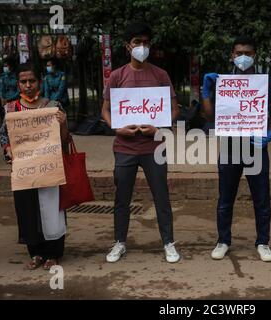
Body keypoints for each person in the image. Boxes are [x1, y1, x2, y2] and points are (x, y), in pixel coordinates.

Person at [101, 22, 181, 264]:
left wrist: (159, 128)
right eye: (137, 42)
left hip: (154, 147)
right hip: (124, 147)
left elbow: (174, 110)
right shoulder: (117, 76)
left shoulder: (160, 75)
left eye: (146, 42)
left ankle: (168, 243)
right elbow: (105, 110)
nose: (142, 47)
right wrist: (116, 127)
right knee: (121, 199)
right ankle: (119, 243)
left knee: (161, 197)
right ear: (128, 46)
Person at [202, 36, 271, 262]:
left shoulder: (266, 82)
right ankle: (223, 240)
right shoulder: (222, 82)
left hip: (256, 146)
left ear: (255, 56)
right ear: (232, 56)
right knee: (226, 198)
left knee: (261, 198)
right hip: (230, 146)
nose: (243, 57)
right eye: (238, 53)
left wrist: (270, 133)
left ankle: (263, 242)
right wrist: (206, 91)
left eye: (248, 53)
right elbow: (209, 116)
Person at [0, 63, 69, 270]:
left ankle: (54, 254)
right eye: (23, 82)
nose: (28, 85)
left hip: (49, 169)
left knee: (52, 210)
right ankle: (36, 252)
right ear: (18, 84)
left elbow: (64, 141)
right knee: (27, 210)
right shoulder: (11, 109)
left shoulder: (53, 106)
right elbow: (3, 134)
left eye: (32, 81)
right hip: (24, 170)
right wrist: (8, 149)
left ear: (39, 81)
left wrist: (63, 124)